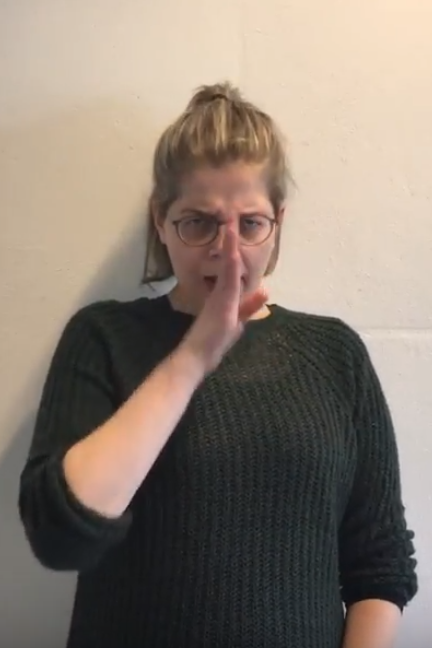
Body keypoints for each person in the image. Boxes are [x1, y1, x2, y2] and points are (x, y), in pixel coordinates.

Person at [18, 82, 418, 648]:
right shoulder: (103, 337)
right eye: (198, 222)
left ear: (278, 222)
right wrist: (192, 358)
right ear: (161, 220)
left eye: (250, 223)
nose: (226, 250)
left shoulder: (335, 354)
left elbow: (380, 563)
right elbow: (59, 536)